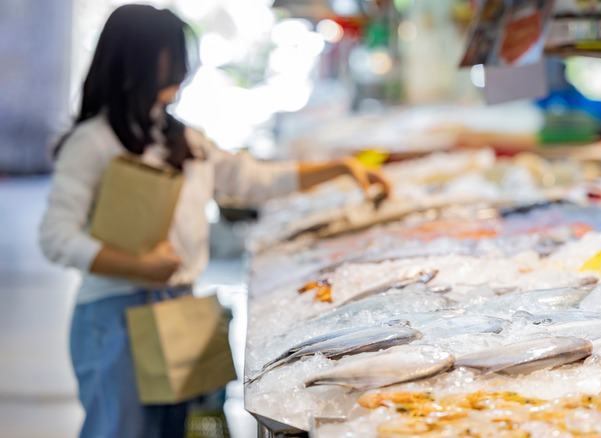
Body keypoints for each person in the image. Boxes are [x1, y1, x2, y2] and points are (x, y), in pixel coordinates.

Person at [39, 4, 391, 438]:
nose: (181, 69)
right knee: (119, 428)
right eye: (168, 56)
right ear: (133, 60)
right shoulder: (92, 142)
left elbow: (252, 179)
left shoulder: (180, 136)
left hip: (179, 305)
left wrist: (339, 168)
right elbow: (56, 238)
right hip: (115, 317)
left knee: (181, 429)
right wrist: (140, 268)